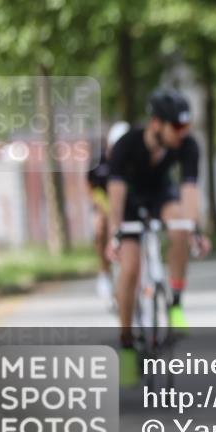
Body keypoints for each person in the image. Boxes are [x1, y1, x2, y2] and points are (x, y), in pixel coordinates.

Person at [106, 89, 210, 383]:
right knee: (129, 269)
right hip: (129, 202)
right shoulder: (127, 145)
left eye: (186, 126)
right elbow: (115, 196)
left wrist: (195, 230)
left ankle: (175, 302)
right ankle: (127, 344)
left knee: (180, 225)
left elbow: (189, 193)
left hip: (161, 196)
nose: (183, 133)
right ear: (156, 124)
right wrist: (115, 234)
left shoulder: (187, 146)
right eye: (176, 127)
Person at [87, 121, 130, 304]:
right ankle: (104, 273)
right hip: (105, 203)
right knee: (101, 225)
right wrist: (106, 207)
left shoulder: (137, 159)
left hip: (130, 204)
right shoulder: (100, 162)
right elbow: (91, 187)